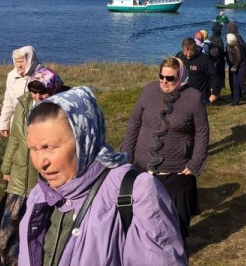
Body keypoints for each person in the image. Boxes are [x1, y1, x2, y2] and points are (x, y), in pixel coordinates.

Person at [18, 87, 187, 266]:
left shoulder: (137, 193)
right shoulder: (39, 195)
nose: (40, 163)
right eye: (34, 149)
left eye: (49, 147)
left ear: (84, 140)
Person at [120, 57, 209, 243]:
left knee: (176, 222)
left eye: (170, 78)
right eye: (161, 76)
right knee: (143, 219)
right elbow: (134, 122)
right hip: (142, 168)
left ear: (181, 77)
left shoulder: (194, 98)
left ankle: (177, 257)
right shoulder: (149, 90)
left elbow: (202, 132)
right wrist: (126, 154)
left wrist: (195, 163)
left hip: (176, 173)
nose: (164, 82)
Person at [0, 67, 66, 266]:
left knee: (38, 232)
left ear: (53, 89)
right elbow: (15, 140)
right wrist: (6, 167)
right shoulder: (23, 104)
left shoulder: (60, 111)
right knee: (7, 232)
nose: (37, 96)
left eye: (42, 92)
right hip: (19, 176)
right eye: (33, 92)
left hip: (46, 180)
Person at [0, 46, 43, 138]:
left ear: (30, 59)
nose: (19, 65)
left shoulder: (42, 75)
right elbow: (8, 101)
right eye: (17, 62)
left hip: (36, 123)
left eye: (22, 61)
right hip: (16, 123)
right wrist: (4, 124)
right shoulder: (11, 76)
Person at [176, 38, 219, 104]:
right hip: (183, 95)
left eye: (191, 53)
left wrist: (214, 93)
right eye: (185, 53)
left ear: (195, 49)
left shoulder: (204, 59)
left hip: (200, 96)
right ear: (182, 49)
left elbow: (214, 76)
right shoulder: (179, 56)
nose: (188, 55)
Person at [226, 33, 246, 106]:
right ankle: (236, 100)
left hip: (242, 66)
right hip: (235, 66)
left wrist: (235, 66)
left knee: (241, 83)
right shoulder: (228, 46)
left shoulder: (237, 46)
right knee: (235, 84)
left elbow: (239, 58)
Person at [225, 21, 246, 102]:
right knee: (237, 81)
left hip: (236, 63)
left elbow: (239, 53)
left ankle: (235, 97)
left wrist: (236, 62)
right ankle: (237, 97)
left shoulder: (234, 39)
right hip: (238, 62)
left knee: (235, 81)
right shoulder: (239, 37)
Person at [210, 23, 227, 93]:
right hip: (219, 62)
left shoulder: (211, 38)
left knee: (214, 78)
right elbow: (221, 52)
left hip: (212, 61)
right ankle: (217, 94)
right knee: (220, 77)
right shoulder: (219, 39)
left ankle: (214, 92)